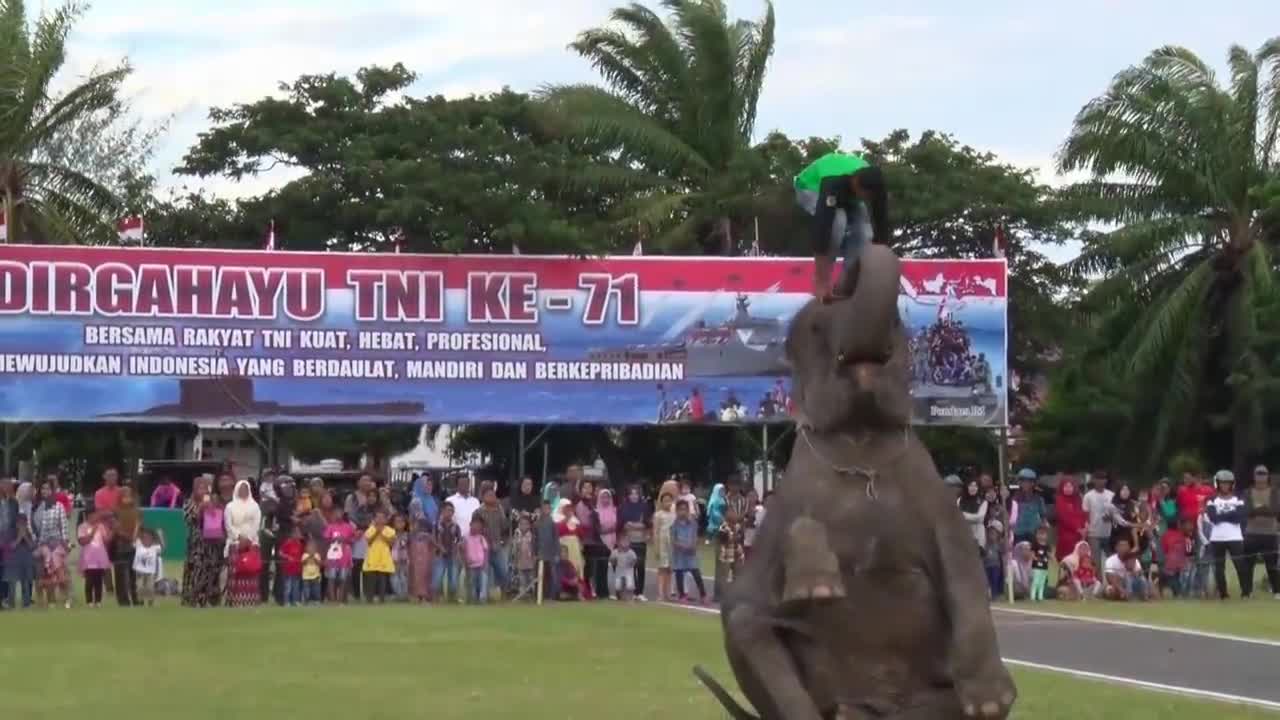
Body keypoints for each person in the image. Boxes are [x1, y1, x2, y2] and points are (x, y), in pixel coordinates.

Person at [793, 151, 891, 297]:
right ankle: (822, 281)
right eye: (862, 194)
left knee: (865, 232)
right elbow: (823, 226)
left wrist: (879, 258)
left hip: (844, 194)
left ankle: (846, 281)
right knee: (838, 222)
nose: (865, 198)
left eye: (868, 197)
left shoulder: (877, 188)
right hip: (811, 188)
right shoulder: (833, 183)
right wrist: (821, 282)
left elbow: (881, 225)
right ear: (855, 182)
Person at [1204, 470, 1247, 599]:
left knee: (1240, 565)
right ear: (1217, 484)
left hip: (1235, 537)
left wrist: (1222, 516)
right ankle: (1223, 594)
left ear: (1232, 484)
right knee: (1219, 567)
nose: (1225, 486)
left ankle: (1245, 592)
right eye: (1222, 483)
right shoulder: (1212, 499)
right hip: (1217, 538)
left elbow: (1239, 517)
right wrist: (1230, 515)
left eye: (1227, 483)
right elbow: (1213, 518)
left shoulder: (1238, 498)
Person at [181, 476, 223, 608]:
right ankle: (191, 597)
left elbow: (216, 521)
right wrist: (200, 509)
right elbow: (189, 519)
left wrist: (212, 508)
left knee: (209, 570)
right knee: (195, 569)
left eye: (205, 488)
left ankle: (206, 598)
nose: (203, 490)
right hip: (196, 543)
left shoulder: (212, 502)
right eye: (200, 488)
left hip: (210, 543)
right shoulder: (189, 503)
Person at [1243, 465, 1280, 599]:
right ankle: (1247, 592)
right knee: (1248, 565)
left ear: (1267, 475)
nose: (1261, 476)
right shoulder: (1248, 492)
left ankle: (1277, 591)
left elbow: (1275, 510)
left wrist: (1258, 509)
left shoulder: (1274, 491)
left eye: (1263, 473)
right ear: (1254, 476)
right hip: (1252, 533)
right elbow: (1248, 511)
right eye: (1258, 473)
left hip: (1270, 533)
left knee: (1272, 565)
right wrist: (1265, 509)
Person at [474, 488, 510, 600]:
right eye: (489, 495)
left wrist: (503, 541)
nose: (492, 497)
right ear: (483, 498)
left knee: (503, 571)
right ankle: (480, 595)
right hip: (482, 549)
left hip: (497, 547)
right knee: (483, 573)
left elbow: (505, 527)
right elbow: (475, 530)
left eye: (493, 495)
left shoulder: (499, 510)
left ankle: (504, 594)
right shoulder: (478, 512)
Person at [671, 499, 708, 604]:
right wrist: (682, 546)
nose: (682, 512)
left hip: (691, 553)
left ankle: (703, 595)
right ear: (677, 511)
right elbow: (673, 540)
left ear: (688, 510)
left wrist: (692, 546)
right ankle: (681, 595)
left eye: (685, 509)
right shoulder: (674, 525)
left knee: (696, 573)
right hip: (679, 553)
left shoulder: (693, 523)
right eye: (680, 509)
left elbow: (695, 537)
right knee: (679, 573)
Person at [554, 498, 589, 600]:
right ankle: (564, 592)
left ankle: (579, 593)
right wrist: (566, 519)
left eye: (570, 508)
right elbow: (557, 532)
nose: (568, 511)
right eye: (566, 508)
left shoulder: (575, 521)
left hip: (575, 550)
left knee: (577, 569)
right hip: (563, 548)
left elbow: (582, 534)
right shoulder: (556, 518)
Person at [619, 485, 650, 601]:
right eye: (632, 493)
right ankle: (630, 590)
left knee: (640, 566)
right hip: (628, 540)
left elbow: (646, 523)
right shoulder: (623, 507)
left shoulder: (644, 507)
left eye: (636, 493)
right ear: (628, 495)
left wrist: (635, 525)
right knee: (629, 566)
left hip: (640, 540)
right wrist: (635, 525)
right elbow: (623, 524)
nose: (634, 496)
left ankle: (640, 592)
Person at [113, 487, 142, 607]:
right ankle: (123, 600)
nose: (127, 498)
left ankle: (135, 598)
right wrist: (128, 537)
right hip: (120, 545)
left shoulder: (136, 511)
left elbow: (138, 524)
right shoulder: (116, 511)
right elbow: (116, 528)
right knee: (120, 574)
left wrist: (134, 536)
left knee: (132, 573)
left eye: (129, 495)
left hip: (133, 545)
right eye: (124, 496)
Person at [78, 510, 111, 608]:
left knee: (98, 580)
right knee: (89, 580)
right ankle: (89, 602)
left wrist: (112, 531)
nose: (95, 517)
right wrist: (92, 531)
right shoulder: (82, 527)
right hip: (88, 558)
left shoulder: (101, 526)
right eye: (93, 515)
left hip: (100, 557)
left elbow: (106, 540)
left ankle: (98, 601)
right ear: (88, 516)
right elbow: (83, 541)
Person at [323, 507, 356, 604]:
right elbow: (326, 539)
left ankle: (341, 600)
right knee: (331, 578)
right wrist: (333, 540)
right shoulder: (330, 527)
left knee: (343, 579)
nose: (338, 515)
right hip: (333, 556)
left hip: (345, 556)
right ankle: (332, 600)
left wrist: (345, 540)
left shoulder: (348, 527)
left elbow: (353, 539)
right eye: (335, 513)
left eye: (339, 513)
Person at [363, 509, 396, 604]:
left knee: (383, 580)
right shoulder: (370, 529)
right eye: (378, 517)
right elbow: (369, 541)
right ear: (374, 519)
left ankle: (382, 599)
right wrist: (376, 532)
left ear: (386, 520)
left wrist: (381, 533)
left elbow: (391, 543)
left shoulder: (390, 530)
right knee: (371, 580)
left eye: (382, 518)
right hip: (372, 558)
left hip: (384, 558)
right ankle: (370, 599)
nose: (380, 520)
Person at [432, 503, 463, 603]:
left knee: (453, 579)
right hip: (440, 555)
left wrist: (456, 548)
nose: (449, 513)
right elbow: (433, 539)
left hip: (452, 556)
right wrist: (440, 548)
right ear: (442, 511)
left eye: (451, 511)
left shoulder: (456, 526)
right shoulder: (437, 525)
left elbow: (459, 540)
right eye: (447, 510)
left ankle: (452, 599)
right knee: (437, 578)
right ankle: (436, 598)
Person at [1082, 473, 1116, 563]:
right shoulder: (1088, 496)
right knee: (1096, 561)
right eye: (1098, 479)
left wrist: (1111, 517)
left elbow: (1117, 514)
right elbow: (1085, 515)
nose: (1101, 481)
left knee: (1112, 560)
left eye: (1103, 479)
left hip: (1109, 533)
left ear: (1106, 480)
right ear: (1094, 480)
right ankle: (1098, 577)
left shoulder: (1111, 495)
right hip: (1093, 533)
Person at [1104, 537, 1149, 601]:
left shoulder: (1134, 559)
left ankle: (1145, 597)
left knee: (1144, 580)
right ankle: (1127, 596)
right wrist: (1121, 589)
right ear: (1116, 548)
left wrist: (1136, 573)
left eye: (1125, 545)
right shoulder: (1110, 560)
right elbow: (1110, 578)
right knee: (1111, 591)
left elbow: (1140, 573)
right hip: (1119, 584)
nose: (1123, 548)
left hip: (1134, 582)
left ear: (1128, 547)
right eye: (1121, 545)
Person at [407, 498, 434, 603]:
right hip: (414, 549)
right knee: (414, 572)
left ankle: (423, 595)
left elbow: (427, 534)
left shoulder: (422, 520)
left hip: (423, 549)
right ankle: (416, 595)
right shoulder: (411, 520)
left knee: (422, 572)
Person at [1054, 476, 1087, 563]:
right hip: (1066, 535)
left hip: (1079, 536)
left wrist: (1084, 527)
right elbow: (1063, 517)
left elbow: (1083, 514)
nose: (1068, 489)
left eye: (1070, 486)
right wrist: (1077, 528)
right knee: (1066, 561)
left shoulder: (1078, 500)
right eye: (1066, 486)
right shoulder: (1059, 499)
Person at [715, 508, 746, 597]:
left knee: (737, 572)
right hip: (726, 553)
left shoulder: (737, 526)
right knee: (724, 575)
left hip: (736, 552)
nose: (733, 523)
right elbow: (724, 540)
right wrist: (734, 537)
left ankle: (735, 592)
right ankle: (721, 594)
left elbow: (740, 538)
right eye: (731, 521)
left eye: (734, 521)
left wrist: (738, 536)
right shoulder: (723, 527)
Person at [5, 517, 35, 608]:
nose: (22, 526)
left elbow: (32, 546)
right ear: (16, 524)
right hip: (13, 563)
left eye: (24, 523)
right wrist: (19, 537)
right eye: (20, 523)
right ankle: (11, 603)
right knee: (12, 585)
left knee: (25, 584)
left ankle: (26, 603)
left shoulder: (29, 533)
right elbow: (11, 546)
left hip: (25, 562)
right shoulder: (11, 533)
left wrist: (25, 537)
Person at [226, 537, 263, 608]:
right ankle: (237, 601)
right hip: (235, 540)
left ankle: (250, 601)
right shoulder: (235, 547)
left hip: (251, 540)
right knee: (237, 578)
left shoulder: (254, 547)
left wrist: (248, 537)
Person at [652, 492, 676, 602]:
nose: (668, 503)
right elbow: (656, 531)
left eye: (669, 500)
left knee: (670, 569)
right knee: (662, 569)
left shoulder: (674, 514)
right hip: (662, 543)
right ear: (661, 502)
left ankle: (668, 593)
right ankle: (660, 593)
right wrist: (656, 547)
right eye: (665, 500)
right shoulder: (658, 515)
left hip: (672, 543)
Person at [1010, 471, 1044, 546]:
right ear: (1020, 483)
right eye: (1023, 482)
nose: (1026, 484)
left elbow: (1043, 514)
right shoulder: (1015, 498)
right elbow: (1012, 514)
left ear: (1033, 483)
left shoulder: (1038, 498)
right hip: (1019, 531)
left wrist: (1043, 525)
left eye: (1029, 482)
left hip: (1033, 531)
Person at [132, 527, 164, 607]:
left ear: (152, 539)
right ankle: (141, 602)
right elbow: (134, 539)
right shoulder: (138, 544)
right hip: (140, 571)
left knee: (150, 587)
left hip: (150, 572)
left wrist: (160, 536)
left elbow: (162, 547)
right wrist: (137, 528)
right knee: (140, 587)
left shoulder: (155, 547)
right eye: (144, 537)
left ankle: (151, 602)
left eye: (149, 537)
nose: (146, 539)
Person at [36, 538, 70, 609]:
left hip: (59, 569)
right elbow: (35, 555)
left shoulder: (60, 548)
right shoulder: (44, 548)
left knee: (63, 583)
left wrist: (65, 569)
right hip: (47, 570)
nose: (52, 542)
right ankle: (49, 603)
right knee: (47, 586)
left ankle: (67, 602)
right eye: (50, 540)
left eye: (54, 540)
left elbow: (65, 557)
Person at [1159, 518, 1189, 598]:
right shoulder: (1181, 535)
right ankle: (1178, 592)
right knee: (1176, 576)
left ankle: (1177, 592)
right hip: (1180, 559)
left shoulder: (1165, 535)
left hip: (1170, 559)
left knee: (1170, 576)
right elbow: (1185, 548)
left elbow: (1164, 549)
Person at [33, 482, 68, 549]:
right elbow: (33, 527)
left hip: (56, 545)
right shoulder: (36, 506)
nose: (45, 491)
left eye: (48, 489)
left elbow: (64, 526)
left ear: (52, 491)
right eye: (43, 488)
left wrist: (65, 542)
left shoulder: (59, 506)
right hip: (40, 545)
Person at [463, 516, 490, 604]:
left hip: (481, 564)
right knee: (472, 583)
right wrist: (465, 561)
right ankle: (472, 599)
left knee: (482, 582)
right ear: (470, 525)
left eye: (479, 526)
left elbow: (486, 550)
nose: (476, 528)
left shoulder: (481, 538)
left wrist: (485, 562)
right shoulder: (466, 537)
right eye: (475, 525)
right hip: (471, 565)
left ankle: (482, 599)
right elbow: (463, 550)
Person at [957, 480, 988, 550]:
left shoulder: (983, 501)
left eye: (975, 486)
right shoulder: (960, 500)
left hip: (978, 534)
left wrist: (963, 515)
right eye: (970, 485)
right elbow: (957, 516)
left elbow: (980, 518)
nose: (973, 488)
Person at [278, 526, 304, 607]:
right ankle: (287, 601)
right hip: (288, 569)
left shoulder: (299, 544)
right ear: (293, 534)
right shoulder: (288, 542)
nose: (299, 535)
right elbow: (280, 552)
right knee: (288, 587)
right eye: (297, 533)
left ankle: (295, 601)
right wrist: (287, 557)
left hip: (296, 569)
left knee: (295, 587)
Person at [609, 535, 638, 601]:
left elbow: (634, 559)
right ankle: (619, 597)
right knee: (618, 585)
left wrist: (631, 564)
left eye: (626, 542)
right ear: (618, 543)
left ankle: (630, 597)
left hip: (628, 570)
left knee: (629, 584)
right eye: (623, 541)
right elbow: (611, 559)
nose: (624, 543)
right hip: (619, 570)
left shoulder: (631, 552)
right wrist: (614, 562)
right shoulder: (615, 552)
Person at [982, 522, 1005, 600]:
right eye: (990, 533)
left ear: (998, 535)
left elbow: (1002, 553)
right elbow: (983, 555)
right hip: (987, 566)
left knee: (994, 581)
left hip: (996, 566)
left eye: (993, 534)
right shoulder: (986, 545)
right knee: (987, 581)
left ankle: (995, 595)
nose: (991, 535)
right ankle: (986, 595)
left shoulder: (999, 545)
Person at [390, 514, 410, 601]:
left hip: (405, 559)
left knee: (404, 577)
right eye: (397, 522)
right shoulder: (391, 534)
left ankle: (404, 595)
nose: (400, 524)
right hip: (394, 558)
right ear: (393, 523)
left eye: (402, 522)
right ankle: (398, 594)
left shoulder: (408, 535)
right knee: (394, 577)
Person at [1029, 526, 1051, 602]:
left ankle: (1040, 596)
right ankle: (1033, 596)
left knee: (1042, 582)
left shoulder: (1047, 546)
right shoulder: (1035, 544)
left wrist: (1051, 558)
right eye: (1039, 534)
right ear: (1036, 535)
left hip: (1044, 566)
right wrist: (1036, 558)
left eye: (1043, 534)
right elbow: (1032, 554)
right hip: (1036, 566)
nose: (1041, 536)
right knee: (1035, 581)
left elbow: (1049, 554)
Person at [301, 539, 323, 605]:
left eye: (313, 547)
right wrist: (309, 557)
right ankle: (306, 600)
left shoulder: (317, 555)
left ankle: (316, 600)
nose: (311, 549)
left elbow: (319, 563)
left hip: (315, 575)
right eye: (309, 547)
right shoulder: (304, 555)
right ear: (306, 548)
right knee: (306, 589)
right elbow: (303, 563)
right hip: (306, 576)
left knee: (316, 589)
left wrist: (314, 557)